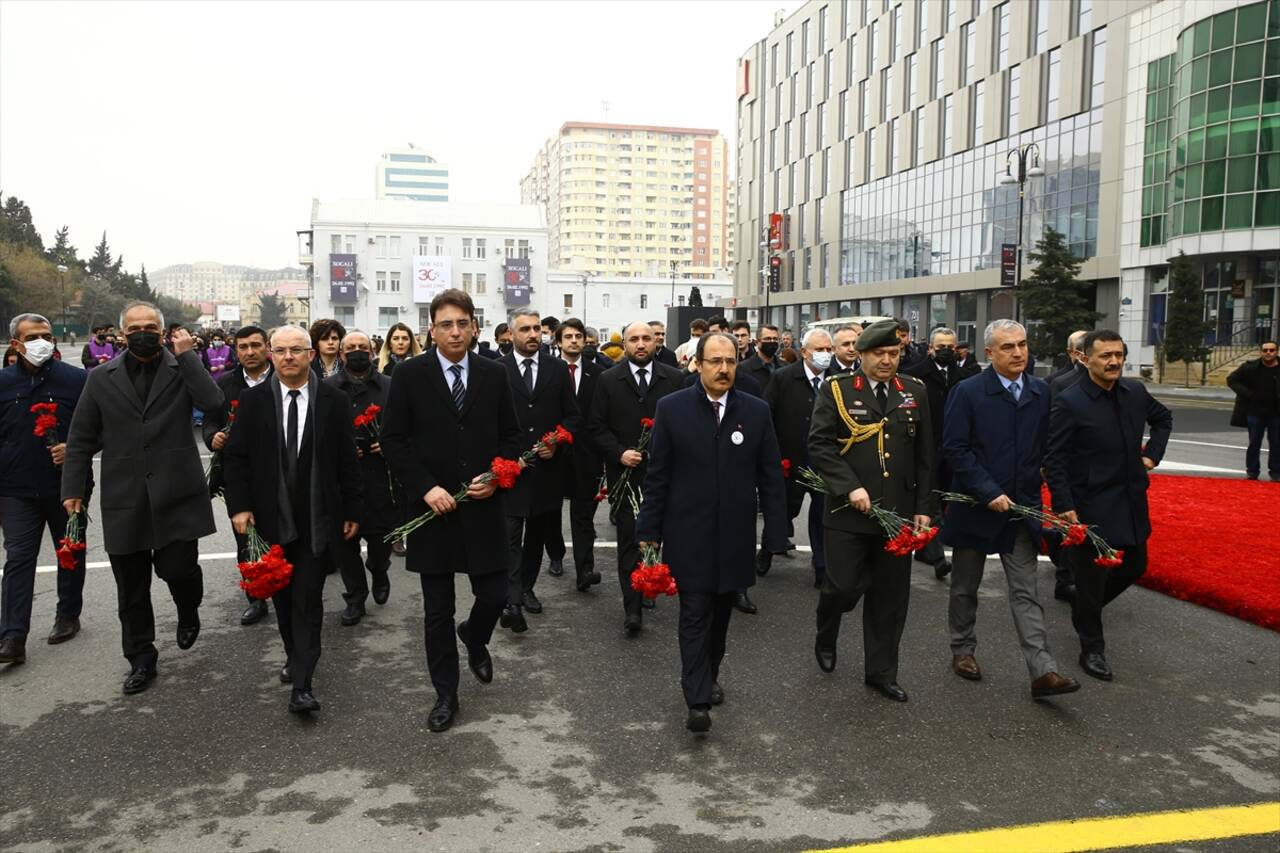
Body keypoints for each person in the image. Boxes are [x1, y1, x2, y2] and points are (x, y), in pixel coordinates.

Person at [61, 301, 224, 695]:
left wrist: (187, 356)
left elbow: (214, 402)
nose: (142, 332)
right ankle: (140, 658)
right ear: (122, 333)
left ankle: (188, 609)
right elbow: (81, 437)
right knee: (131, 589)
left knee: (177, 570)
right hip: (125, 496)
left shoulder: (181, 368)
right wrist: (72, 490)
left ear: (163, 330)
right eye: (134, 328)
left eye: (150, 326)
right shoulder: (101, 378)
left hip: (177, 492)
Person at [380, 289, 523, 733]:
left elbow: (512, 438)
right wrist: (426, 489)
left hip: (482, 508)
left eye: (463, 323)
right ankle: (446, 694)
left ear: (475, 326)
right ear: (432, 329)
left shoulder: (494, 374)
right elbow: (394, 440)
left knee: (496, 595)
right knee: (437, 611)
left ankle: (475, 636)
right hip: (434, 513)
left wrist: (497, 476)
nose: (455, 331)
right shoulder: (409, 375)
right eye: (446, 324)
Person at [637, 332, 787, 733]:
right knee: (695, 612)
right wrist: (648, 528)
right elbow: (658, 475)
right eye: (715, 361)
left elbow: (771, 475)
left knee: (721, 615)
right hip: (688, 532)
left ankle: (711, 673)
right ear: (698, 364)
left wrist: (777, 530)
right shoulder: (672, 409)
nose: (724, 369)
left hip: (735, 534)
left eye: (731, 362)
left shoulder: (755, 411)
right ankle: (696, 697)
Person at [223, 326, 362, 715]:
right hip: (270, 520)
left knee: (307, 601)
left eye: (296, 350)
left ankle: (302, 684)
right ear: (270, 354)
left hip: (318, 519)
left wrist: (352, 511)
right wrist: (240, 507)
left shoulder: (333, 401)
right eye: (280, 351)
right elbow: (237, 459)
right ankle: (293, 654)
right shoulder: (252, 402)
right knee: (283, 602)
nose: (288, 357)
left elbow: (348, 462)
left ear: (310, 355)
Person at [942, 320, 1081, 700]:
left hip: (1021, 510)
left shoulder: (1040, 392)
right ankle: (963, 649)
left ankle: (1043, 671)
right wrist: (987, 490)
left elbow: (1049, 451)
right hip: (976, 506)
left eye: (1022, 345)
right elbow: (955, 449)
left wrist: (1058, 501)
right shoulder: (968, 392)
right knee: (965, 586)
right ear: (990, 353)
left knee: (1025, 591)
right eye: (1008, 347)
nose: (1018, 353)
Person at [808, 319, 935, 703]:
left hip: (896, 513)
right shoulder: (838, 390)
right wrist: (849, 487)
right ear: (861, 354)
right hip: (848, 513)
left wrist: (924, 508)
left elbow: (926, 455)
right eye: (878, 354)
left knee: (890, 598)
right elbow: (820, 445)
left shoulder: (914, 390)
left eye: (893, 354)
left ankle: (881, 672)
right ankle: (827, 628)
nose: (887, 361)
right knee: (842, 586)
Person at [1045, 329, 1173, 682]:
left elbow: (1163, 418)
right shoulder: (1070, 401)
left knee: (1135, 565)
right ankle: (1092, 648)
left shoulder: (1134, 391)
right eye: (1105, 356)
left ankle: (1085, 606)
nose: (1114, 361)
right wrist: (1063, 503)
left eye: (1118, 354)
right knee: (1091, 577)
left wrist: (1152, 457)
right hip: (1091, 503)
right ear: (1086, 359)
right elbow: (1054, 458)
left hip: (1131, 497)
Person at [0, 313, 91, 665]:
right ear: (17, 344)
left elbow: (99, 428)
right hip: (15, 488)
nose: (43, 342)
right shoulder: (4, 383)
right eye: (33, 336)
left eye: (47, 335)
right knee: (19, 559)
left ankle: (68, 614)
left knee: (70, 550)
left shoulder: (76, 380)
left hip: (67, 486)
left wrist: (75, 448)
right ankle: (12, 636)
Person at [589, 320, 684, 635]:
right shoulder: (607, 379)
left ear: (656, 342)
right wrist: (619, 453)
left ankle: (651, 584)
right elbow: (597, 427)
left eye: (647, 338)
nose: (641, 344)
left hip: (666, 474)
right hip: (626, 475)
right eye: (634, 339)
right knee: (629, 542)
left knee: (659, 536)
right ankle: (632, 608)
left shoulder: (674, 378)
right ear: (624, 343)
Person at [497, 309, 580, 632]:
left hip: (547, 471)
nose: (534, 335)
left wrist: (557, 442)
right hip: (510, 470)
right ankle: (512, 599)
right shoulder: (496, 370)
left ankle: (526, 587)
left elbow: (573, 417)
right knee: (510, 536)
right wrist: (505, 457)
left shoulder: (557, 370)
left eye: (537, 329)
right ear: (511, 334)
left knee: (537, 537)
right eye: (526, 330)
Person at [326, 330, 400, 626]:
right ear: (342, 354)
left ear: (372, 352)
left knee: (381, 540)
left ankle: (379, 569)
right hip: (342, 481)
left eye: (363, 347)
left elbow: (407, 427)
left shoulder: (390, 387)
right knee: (345, 545)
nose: (357, 352)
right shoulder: (327, 388)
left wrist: (388, 443)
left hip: (381, 478)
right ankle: (355, 597)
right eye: (351, 348)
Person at [203, 324, 274, 626]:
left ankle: (289, 591)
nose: (249, 352)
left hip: (279, 474)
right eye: (243, 347)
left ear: (267, 347)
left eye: (255, 345)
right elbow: (209, 421)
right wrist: (213, 437)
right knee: (246, 539)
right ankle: (256, 597)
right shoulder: (224, 384)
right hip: (239, 476)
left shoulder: (285, 377)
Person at [760, 328, 834, 587]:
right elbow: (766, 414)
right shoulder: (783, 377)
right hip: (789, 459)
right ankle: (767, 551)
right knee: (782, 511)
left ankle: (822, 567)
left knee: (821, 514)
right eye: (819, 350)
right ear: (804, 352)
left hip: (824, 462)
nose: (825, 355)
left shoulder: (837, 380)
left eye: (829, 349)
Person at [902, 326, 966, 581]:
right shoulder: (914, 376)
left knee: (947, 500)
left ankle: (927, 549)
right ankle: (938, 556)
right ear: (930, 348)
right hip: (925, 446)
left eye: (951, 347)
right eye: (941, 347)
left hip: (954, 447)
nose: (947, 351)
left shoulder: (963, 377)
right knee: (930, 500)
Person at [556, 318, 605, 592]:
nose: (574, 341)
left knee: (583, 514)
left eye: (578, 336)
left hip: (587, 455)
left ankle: (584, 569)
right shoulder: (549, 370)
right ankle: (555, 554)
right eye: (569, 337)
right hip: (554, 452)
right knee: (549, 515)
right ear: (559, 341)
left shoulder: (598, 374)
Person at [1227, 340, 1279, 481]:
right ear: (1260, 352)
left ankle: (1276, 473)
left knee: (1276, 443)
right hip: (1255, 413)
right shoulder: (1250, 367)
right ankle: (1252, 472)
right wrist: (1247, 394)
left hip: (1276, 413)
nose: (1268, 353)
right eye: (1265, 350)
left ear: (1277, 352)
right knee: (1254, 442)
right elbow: (1231, 379)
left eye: (1272, 350)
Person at [738, 324, 782, 391]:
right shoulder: (743, 368)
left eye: (775, 339)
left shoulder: (785, 367)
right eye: (768, 339)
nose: (772, 342)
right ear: (757, 342)